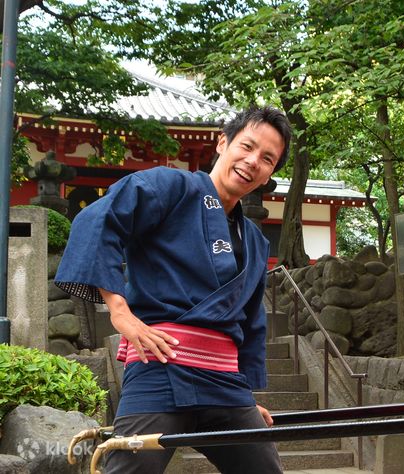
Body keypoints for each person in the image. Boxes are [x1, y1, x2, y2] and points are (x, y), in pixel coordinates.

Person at [55, 106, 292, 474]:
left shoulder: (256, 243)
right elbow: (98, 219)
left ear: (269, 173)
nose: (253, 162)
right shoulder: (170, 187)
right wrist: (120, 312)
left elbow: (250, 322)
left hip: (225, 384)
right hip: (159, 368)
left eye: (267, 159)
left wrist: (245, 397)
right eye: (247, 147)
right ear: (223, 143)